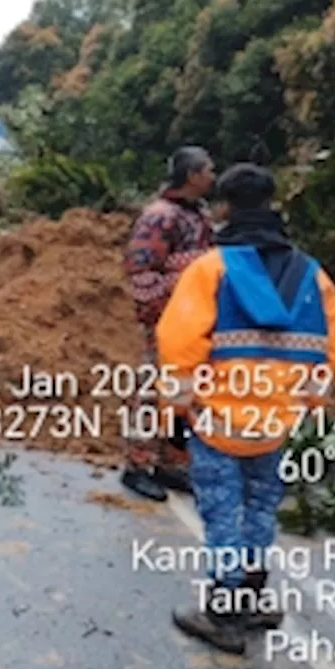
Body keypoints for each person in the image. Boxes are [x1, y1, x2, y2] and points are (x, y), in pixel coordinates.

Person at [156, 163, 335, 654]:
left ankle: (223, 613)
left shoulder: (209, 271)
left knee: (221, 513)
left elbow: (179, 351)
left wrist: (174, 415)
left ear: (223, 209)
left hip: (216, 422)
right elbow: (327, 354)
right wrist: (305, 407)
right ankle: (254, 597)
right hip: (274, 425)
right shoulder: (313, 276)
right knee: (260, 508)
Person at [120, 146, 216, 501]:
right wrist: (173, 289)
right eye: (208, 170)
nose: (212, 177)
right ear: (192, 175)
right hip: (166, 318)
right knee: (151, 391)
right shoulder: (159, 217)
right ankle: (138, 465)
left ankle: (168, 463)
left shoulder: (199, 214)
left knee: (182, 394)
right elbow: (141, 272)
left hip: (195, 319)